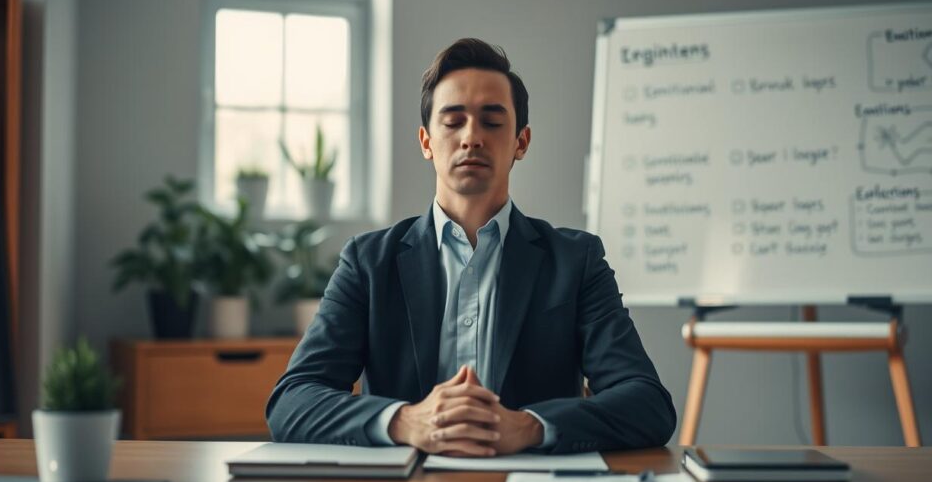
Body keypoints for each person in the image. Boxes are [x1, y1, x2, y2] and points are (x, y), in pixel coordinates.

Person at [266, 38, 675, 456]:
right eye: (453, 121)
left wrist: (529, 426)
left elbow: (648, 404)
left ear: (521, 141)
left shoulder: (576, 261)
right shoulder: (368, 262)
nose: (471, 137)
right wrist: (406, 421)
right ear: (426, 141)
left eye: (492, 122)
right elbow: (292, 402)